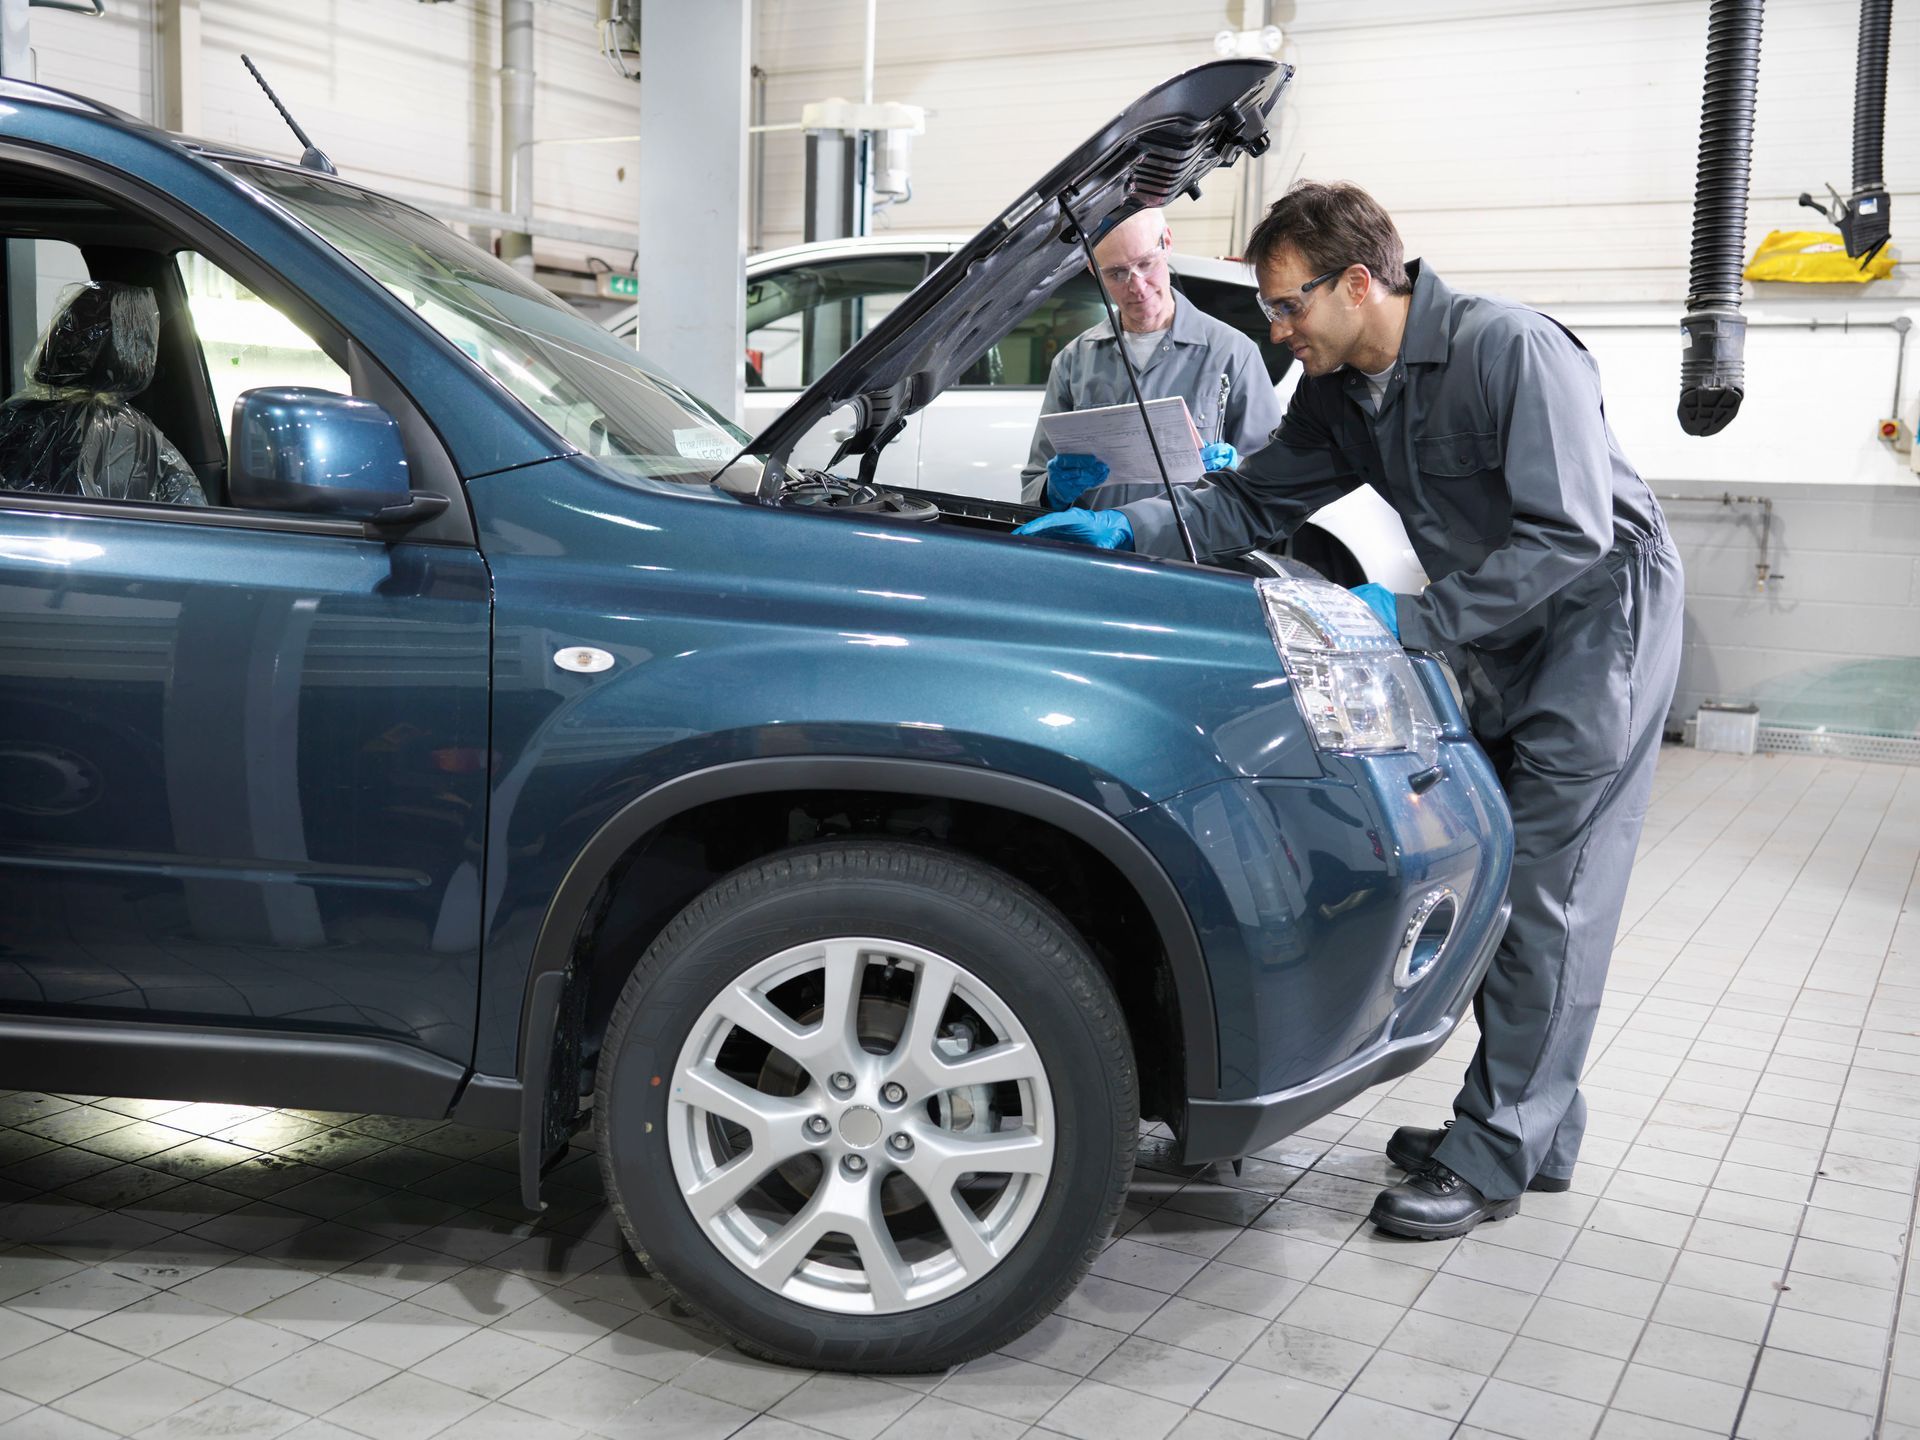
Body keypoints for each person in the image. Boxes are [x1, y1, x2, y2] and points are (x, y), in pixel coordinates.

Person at [1017, 181, 1684, 1242]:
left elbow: (1570, 535)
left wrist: (1411, 619)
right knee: (1505, 871)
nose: (1276, 331)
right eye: (1270, 310)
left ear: (1360, 283)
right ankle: (1536, 1126)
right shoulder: (1342, 390)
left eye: (1289, 305)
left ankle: (1496, 1150)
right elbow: (1250, 499)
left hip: (1601, 625)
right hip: (1503, 627)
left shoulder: (1511, 350)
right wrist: (1125, 530)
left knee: (1550, 892)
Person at [1019, 207, 1280, 511]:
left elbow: (1273, 481)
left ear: (1166, 241)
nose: (1137, 287)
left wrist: (1239, 468)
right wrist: (1053, 490)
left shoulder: (1234, 354)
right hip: (1097, 541)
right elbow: (1035, 486)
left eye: (1146, 263)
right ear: (1093, 268)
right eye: (1117, 273)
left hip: (1192, 542)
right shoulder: (1072, 363)